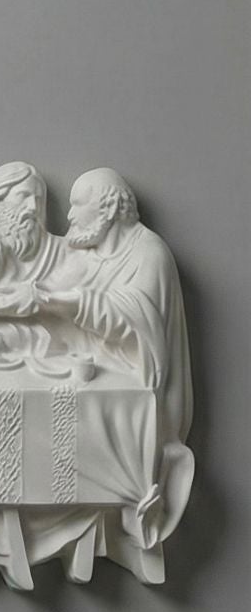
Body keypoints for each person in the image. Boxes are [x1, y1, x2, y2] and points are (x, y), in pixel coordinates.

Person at [37, 170, 192, 445]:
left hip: (130, 392)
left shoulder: (150, 253)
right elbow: (51, 285)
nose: (70, 215)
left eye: (78, 204)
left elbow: (140, 320)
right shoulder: (90, 252)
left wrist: (76, 303)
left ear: (108, 208)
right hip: (88, 377)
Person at [0, 161, 79, 360]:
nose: (32, 207)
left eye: (38, 200)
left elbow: (75, 302)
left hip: (49, 346)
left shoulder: (61, 250)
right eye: (23, 196)